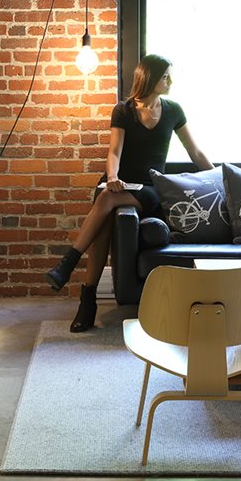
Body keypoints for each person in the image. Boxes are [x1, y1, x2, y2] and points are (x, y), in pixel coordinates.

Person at [46, 53, 213, 333]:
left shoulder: (173, 110)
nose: (170, 81)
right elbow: (114, 151)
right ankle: (88, 303)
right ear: (149, 78)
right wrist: (112, 177)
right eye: (165, 77)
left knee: (106, 199)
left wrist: (217, 178)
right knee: (102, 228)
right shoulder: (123, 110)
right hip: (119, 185)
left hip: (150, 188)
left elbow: (194, 151)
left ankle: (68, 266)